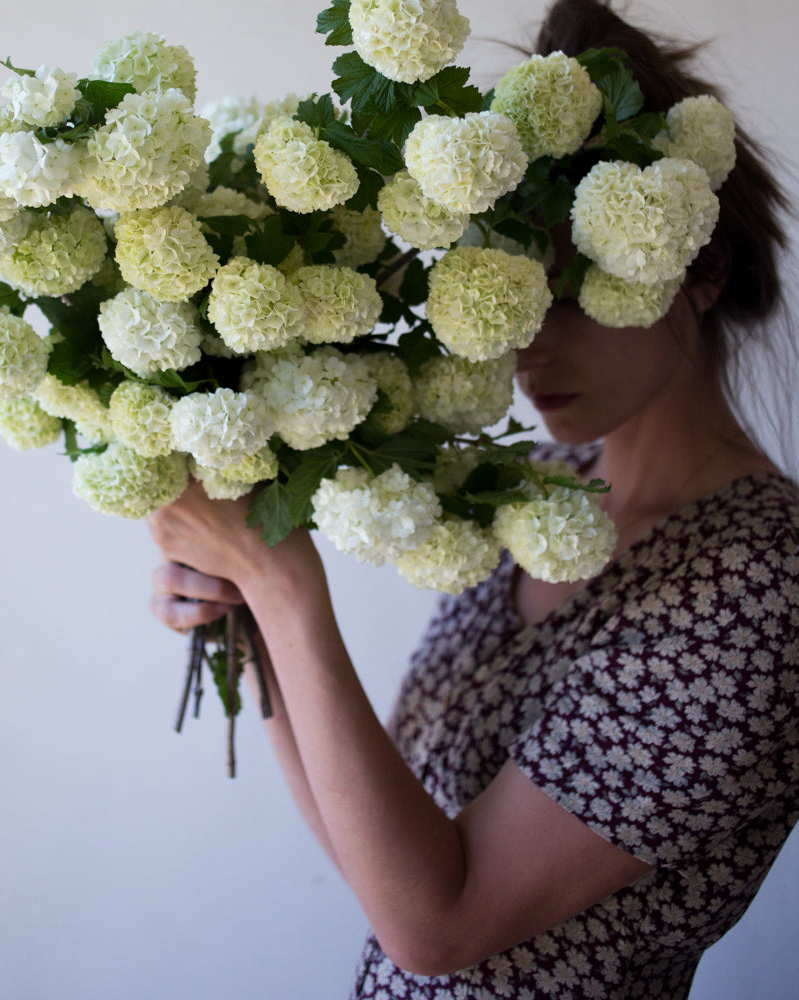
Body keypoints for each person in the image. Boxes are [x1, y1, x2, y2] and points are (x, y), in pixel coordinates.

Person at [147, 0, 799, 996]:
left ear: (698, 270)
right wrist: (245, 608)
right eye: (512, 299)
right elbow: (386, 870)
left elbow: (437, 927)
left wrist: (284, 586)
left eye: (567, 295)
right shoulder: (535, 492)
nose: (527, 346)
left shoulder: (763, 584)